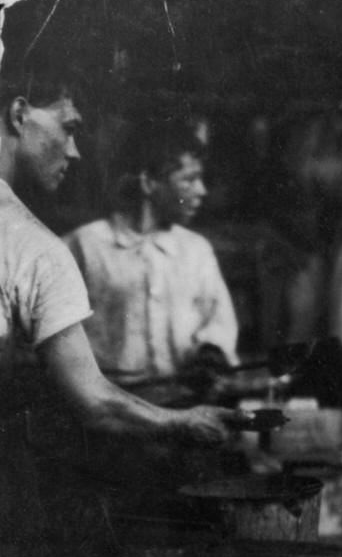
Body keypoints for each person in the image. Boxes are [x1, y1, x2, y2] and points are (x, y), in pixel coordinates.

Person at [0, 66, 240, 557]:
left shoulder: (181, 252)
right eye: (66, 124)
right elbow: (95, 401)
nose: (75, 149)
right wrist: (182, 424)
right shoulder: (41, 248)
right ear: (18, 113)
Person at [64, 120, 238, 392]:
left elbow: (218, 319)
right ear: (148, 182)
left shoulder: (195, 250)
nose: (201, 191)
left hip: (183, 400)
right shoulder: (87, 245)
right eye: (189, 179)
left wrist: (210, 354)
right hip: (111, 404)